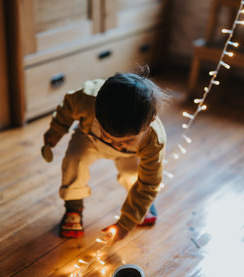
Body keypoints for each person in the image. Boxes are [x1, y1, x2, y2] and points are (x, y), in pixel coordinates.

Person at [42, 68, 169, 243]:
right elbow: (67, 107)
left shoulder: (153, 140)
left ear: (150, 122)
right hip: (89, 139)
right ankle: (73, 207)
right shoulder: (86, 99)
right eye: (107, 135)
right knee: (74, 161)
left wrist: (126, 223)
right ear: (95, 109)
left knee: (133, 175)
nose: (116, 144)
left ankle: (139, 207)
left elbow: (149, 183)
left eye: (127, 140)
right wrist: (55, 130)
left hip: (131, 155)